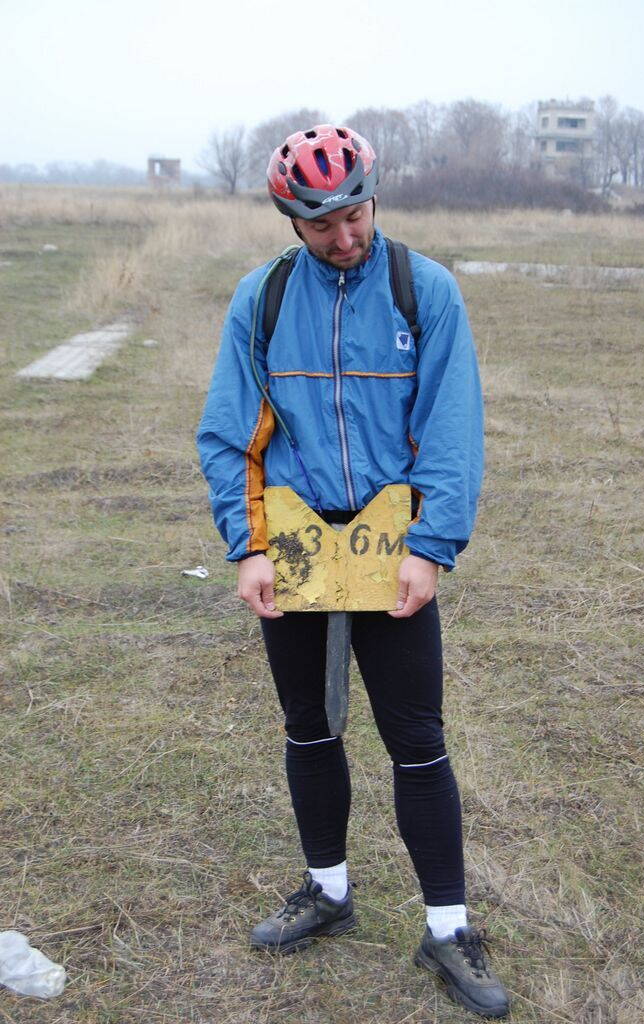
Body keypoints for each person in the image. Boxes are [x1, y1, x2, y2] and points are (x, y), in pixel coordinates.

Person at [196, 124, 509, 1018]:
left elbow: (450, 429)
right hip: (295, 536)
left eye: (355, 214)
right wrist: (249, 547)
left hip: (390, 539)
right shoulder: (262, 299)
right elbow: (230, 431)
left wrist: (430, 546)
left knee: (416, 736)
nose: (344, 236)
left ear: (373, 198)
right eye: (322, 224)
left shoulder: (423, 289)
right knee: (308, 727)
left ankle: (446, 928)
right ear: (291, 222)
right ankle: (327, 891)